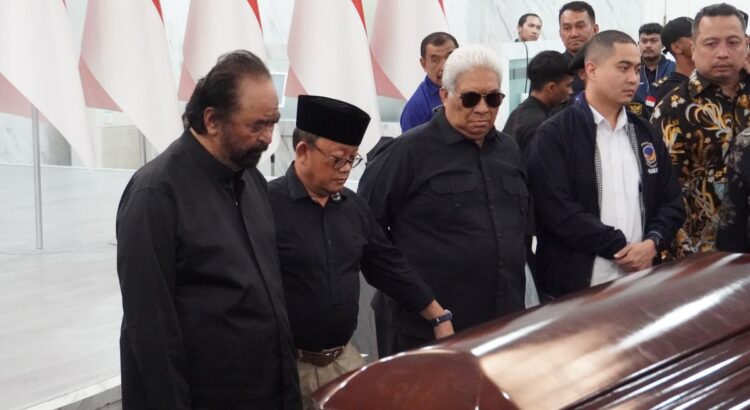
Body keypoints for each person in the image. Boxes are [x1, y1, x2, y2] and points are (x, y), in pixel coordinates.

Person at [115, 51, 300, 409]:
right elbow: (151, 330)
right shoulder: (156, 194)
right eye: (256, 126)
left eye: (273, 123)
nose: (268, 138)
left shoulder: (251, 180)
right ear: (212, 120)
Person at [268, 95, 454, 406]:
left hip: (343, 360)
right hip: (285, 367)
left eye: (352, 159)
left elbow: (388, 266)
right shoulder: (266, 206)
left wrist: (437, 315)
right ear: (302, 151)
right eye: (336, 159)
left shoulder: (352, 207)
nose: (344, 170)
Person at [359, 45, 533, 356]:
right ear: (444, 95)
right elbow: (367, 237)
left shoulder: (509, 151)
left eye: (493, 99)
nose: (483, 109)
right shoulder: (406, 153)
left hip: (500, 324)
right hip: (424, 329)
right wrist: (429, 308)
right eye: (470, 98)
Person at [527, 31, 685, 298]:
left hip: (641, 280)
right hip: (576, 289)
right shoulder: (555, 134)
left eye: (636, 69)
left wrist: (652, 242)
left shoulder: (644, 131)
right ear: (591, 70)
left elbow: (671, 200)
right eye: (623, 68)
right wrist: (620, 247)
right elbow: (557, 210)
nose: (633, 78)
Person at [651, 3, 750, 257]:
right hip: (703, 256)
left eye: (733, 42)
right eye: (711, 43)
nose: (723, 53)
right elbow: (664, 194)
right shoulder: (673, 109)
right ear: (693, 49)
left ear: (746, 44)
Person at [503, 50, 574, 154]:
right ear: (551, 87)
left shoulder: (518, 113)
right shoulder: (540, 126)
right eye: (568, 85)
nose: (571, 91)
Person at [400, 32, 459, 132]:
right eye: (435, 60)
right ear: (424, 64)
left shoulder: (476, 87)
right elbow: (410, 142)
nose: (444, 67)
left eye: (450, 57)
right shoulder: (415, 109)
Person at [649, 17, 695, 104]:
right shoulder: (669, 90)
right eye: (694, 36)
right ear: (676, 47)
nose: (702, 40)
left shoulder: (710, 80)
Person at [559, 1, 599, 94]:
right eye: (567, 28)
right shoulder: (550, 70)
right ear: (560, 34)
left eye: (580, 26)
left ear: (595, 29)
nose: (574, 34)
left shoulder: (609, 65)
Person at [635, 23, 675, 110]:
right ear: (638, 44)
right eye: (644, 41)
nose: (648, 45)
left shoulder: (674, 69)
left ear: (663, 44)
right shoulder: (631, 70)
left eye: (653, 41)